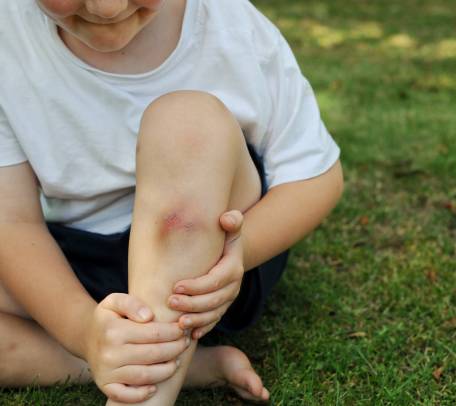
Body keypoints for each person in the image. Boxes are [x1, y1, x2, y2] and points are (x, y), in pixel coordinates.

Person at [0, 0, 343, 404]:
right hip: (74, 266)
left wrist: (238, 253)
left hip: (206, 265)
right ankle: (163, 363)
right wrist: (83, 330)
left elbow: (315, 176)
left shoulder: (229, 25)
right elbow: (13, 221)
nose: (107, 9)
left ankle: (142, 398)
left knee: (186, 122)